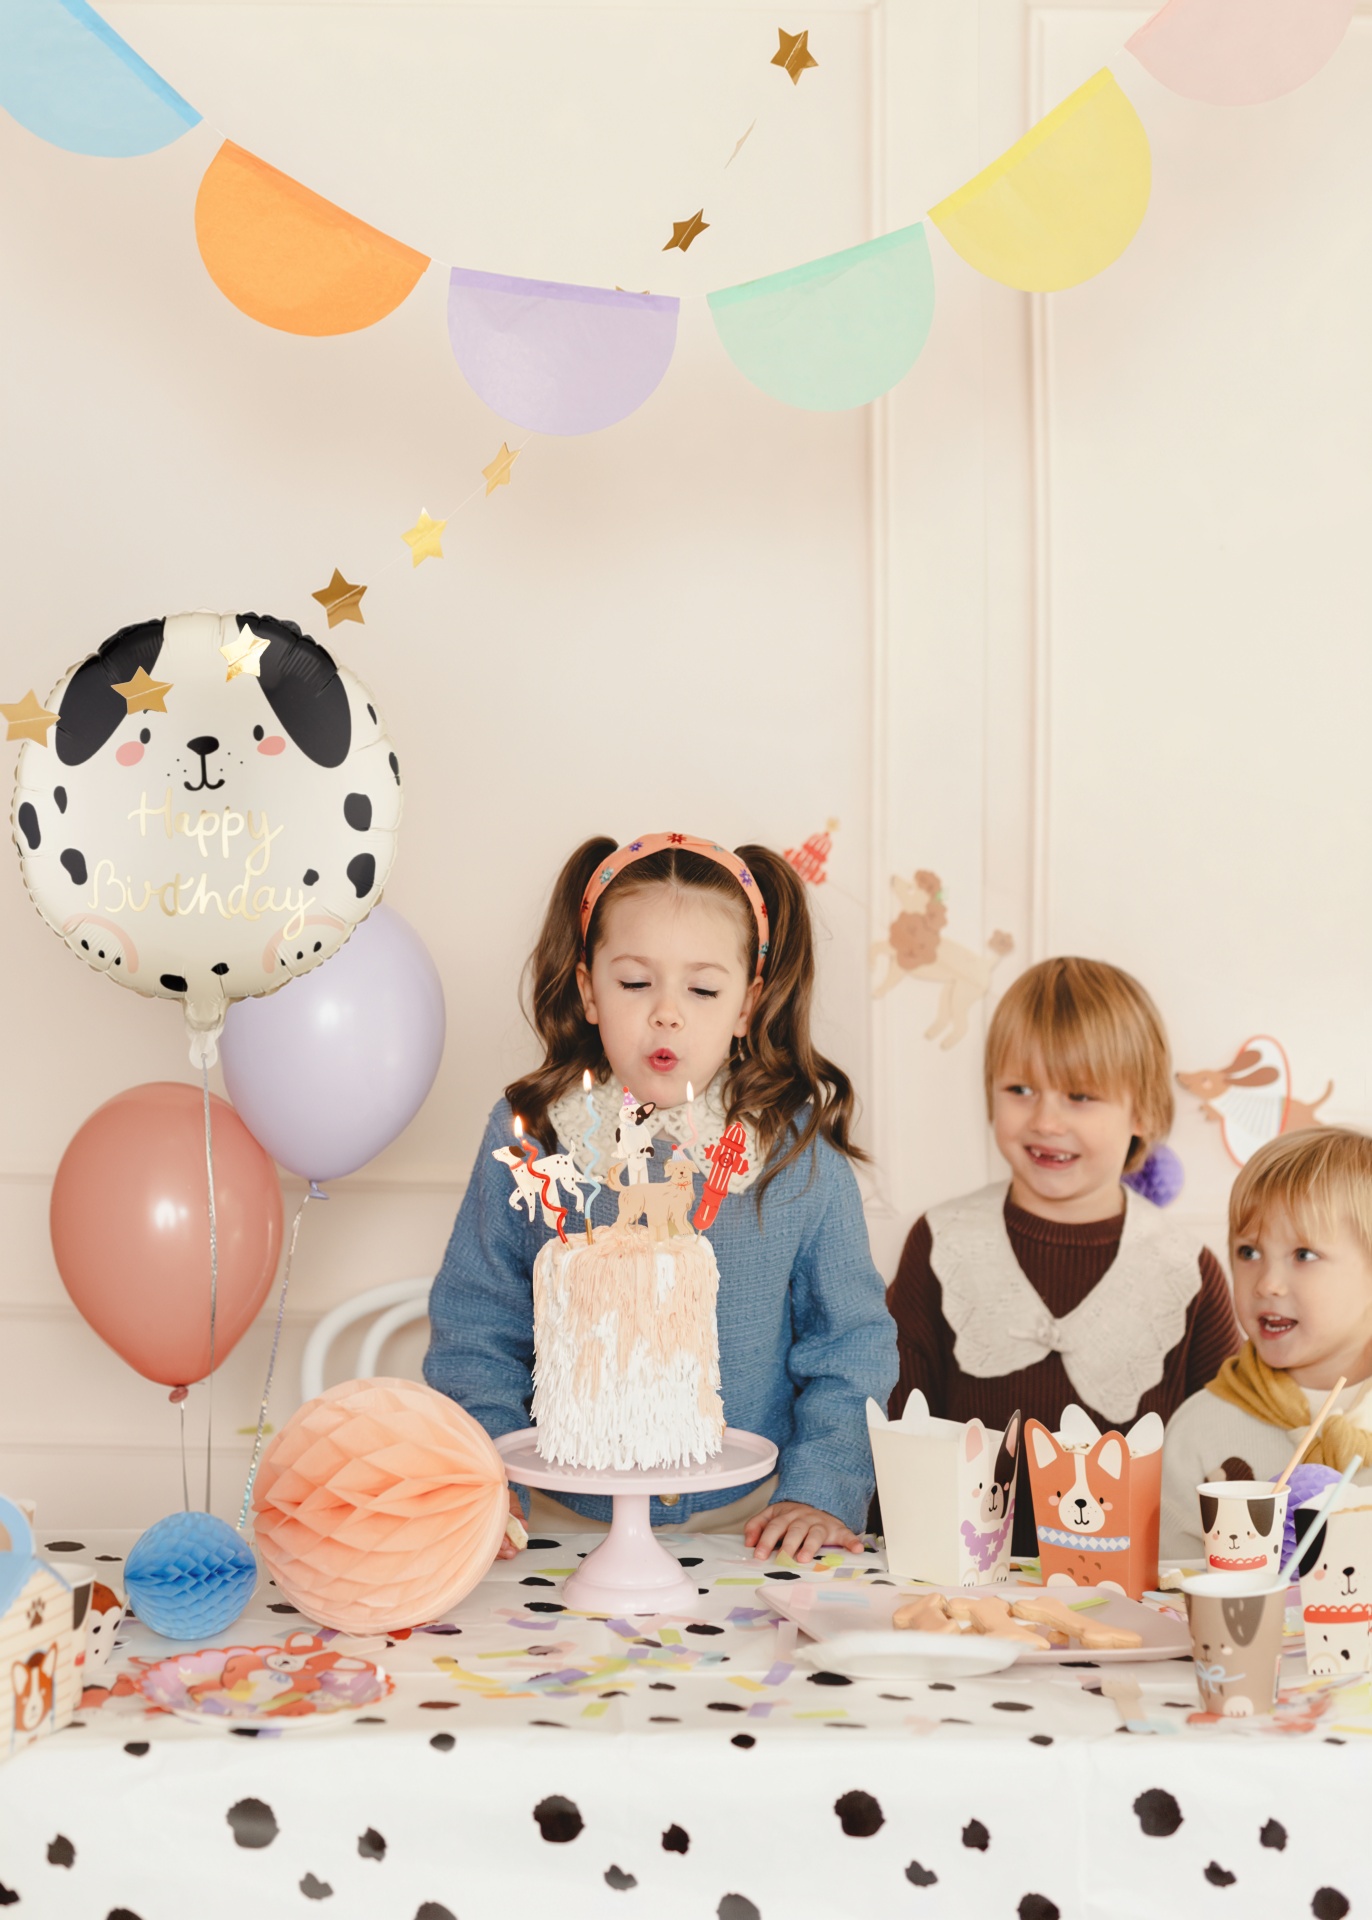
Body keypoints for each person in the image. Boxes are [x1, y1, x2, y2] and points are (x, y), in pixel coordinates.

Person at [424, 832, 897, 1564]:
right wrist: (488, 1477)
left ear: (749, 1004)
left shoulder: (796, 1154)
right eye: (635, 983)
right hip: (557, 1522)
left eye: (703, 989)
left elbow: (850, 1347)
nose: (667, 1013)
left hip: (749, 1524)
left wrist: (821, 1488)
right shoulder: (535, 1137)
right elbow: (477, 1326)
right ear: (588, 990)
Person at [885, 956, 1239, 1555]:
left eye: (1080, 1096)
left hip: (1132, 1597)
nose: (1045, 1120)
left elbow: (1225, 1453)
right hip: (963, 1583)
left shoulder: (1188, 1270)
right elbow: (902, 1424)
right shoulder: (942, 1241)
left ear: (1144, 1113)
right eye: (1020, 1089)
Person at [1161, 1128, 1372, 1561]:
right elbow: (1169, 1590)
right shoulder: (1199, 1430)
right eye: (1248, 1252)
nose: (1268, 1284)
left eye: (1304, 1255)